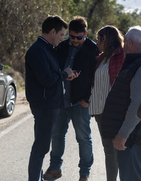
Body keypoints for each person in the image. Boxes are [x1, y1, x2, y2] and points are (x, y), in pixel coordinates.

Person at [101, 26, 141, 181]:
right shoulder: (140, 62)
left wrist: (123, 134)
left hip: (134, 138)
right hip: (134, 136)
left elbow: (139, 106)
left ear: (129, 42)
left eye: (125, 44)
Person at [43, 16, 99, 181]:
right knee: (57, 135)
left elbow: (97, 78)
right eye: (72, 36)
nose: (75, 40)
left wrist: (87, 99)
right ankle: (55, 169)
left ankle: (84, 173)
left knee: (83, 138)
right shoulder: (60, 47)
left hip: (80, 103)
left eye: (79, 37)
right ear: (68, 33)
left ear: (86, 34)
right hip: (60, 102)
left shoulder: (93, 50)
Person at [26, 15, 78, 181]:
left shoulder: (48, 49)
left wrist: (64, 76)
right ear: (52, 31)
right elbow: (47, 79)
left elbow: (51, 75)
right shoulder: (38, 50)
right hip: (44, 105)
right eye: (61, 34)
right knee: (40, 148)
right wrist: (64, 74)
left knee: (42, 147)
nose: (62, 38)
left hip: (50, 104)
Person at [89, 25, 125, 181]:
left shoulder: (121, 56)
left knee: (114, 151)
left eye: (99, 39)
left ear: (107, 39)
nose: (97, 42)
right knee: (108, 151)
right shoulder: (100, 59)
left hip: (112, 111)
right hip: (98, 111)